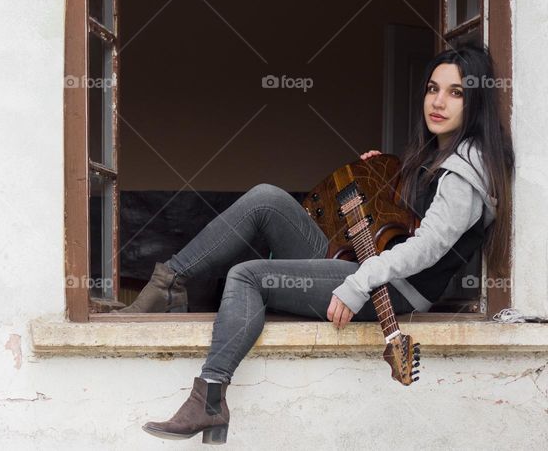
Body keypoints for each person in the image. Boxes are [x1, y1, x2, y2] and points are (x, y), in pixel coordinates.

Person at [121, 43, 515, 444]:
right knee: (267, 199)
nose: (439, 101)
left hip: (395, 290)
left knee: (247, 277)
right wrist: (383, 173)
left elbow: (426, 247)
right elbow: (405, 218)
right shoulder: (439, 153)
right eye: (433, 89)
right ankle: (167, 283)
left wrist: (357, 284)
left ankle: (210, 397)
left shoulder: (467, 171)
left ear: (477, 101)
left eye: (456, 93)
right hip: (368, 265)